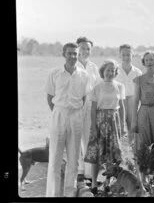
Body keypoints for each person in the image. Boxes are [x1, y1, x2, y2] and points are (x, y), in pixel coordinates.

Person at [45, 42, 89, 197]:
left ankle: (70, 194)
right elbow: (50, 97)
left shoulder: (84, 75)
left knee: (74, 159)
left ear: (78, 55)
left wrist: (73, 113)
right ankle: (53, 195)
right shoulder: (54, 73)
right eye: (69, 53)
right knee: (55, 158)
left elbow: (83, 98)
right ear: (63, 54)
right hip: (59, 115)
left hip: (76, 116)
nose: (72, 56)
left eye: (75, 54)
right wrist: (60, 112)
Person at [84, 59, 125, 195]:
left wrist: (122, 126)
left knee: (112, 154)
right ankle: (95, 183)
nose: (110, 73)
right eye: (108, 70)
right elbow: (93, 109)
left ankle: (107, 183)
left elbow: (122, 107)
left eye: (113, 71)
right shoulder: (97, 87)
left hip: (114, 121)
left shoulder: (119, 86)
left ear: (115, 72)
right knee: (96, 155)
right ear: (103, 71)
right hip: (100, 122)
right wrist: (94, 128)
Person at [131, 50, 154, 192]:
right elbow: (135, 100)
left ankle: (153, 177)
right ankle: (143, 178)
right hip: (143, 112)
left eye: (151, 59)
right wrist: (134, 120)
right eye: (147, 59)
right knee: (143, 144)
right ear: (144, 62)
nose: (149, 61)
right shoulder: (139, 79)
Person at [75, 37, 101, 182]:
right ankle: (79, 170)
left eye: (88, 49)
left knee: (88, 138)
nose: (85, 51)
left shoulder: (93, 67)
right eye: (82, 48)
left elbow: (97, 88)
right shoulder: (73, 64)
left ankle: (89, 173)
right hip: (76, 105)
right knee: (76, 138)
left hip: (90, 105)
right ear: (77, 48)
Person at [115, 44, 142, 146]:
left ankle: (133, 155)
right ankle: (119, 155)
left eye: (128, 54)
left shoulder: (137, 72)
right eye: (123, 54)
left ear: (132, 55)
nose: (126, 57)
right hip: (118, 102)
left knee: (133, 129)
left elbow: (140, 90)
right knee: (119, 128)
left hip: (132, 101)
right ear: (120, 55)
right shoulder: (115, 70)